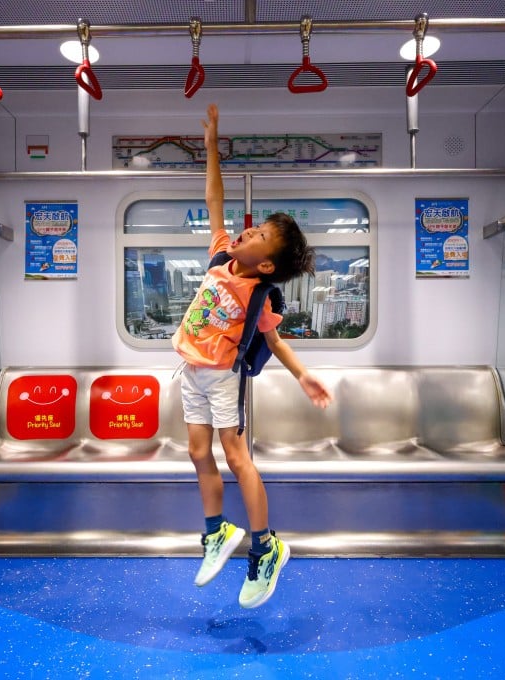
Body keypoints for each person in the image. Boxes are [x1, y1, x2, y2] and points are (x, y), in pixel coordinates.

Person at [172, 103, 333, 609]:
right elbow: (213, 197)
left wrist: (304, 376)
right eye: (256, 227)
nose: (248, 233)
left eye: (259, 236)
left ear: (265, 264)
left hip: (222, 378)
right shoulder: (220, 255)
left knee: (236, 458)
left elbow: (276, 341)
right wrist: (211, 146)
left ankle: (265, 547)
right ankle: (216, 532)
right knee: (197, 453)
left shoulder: (258, 296)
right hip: (190, 372)